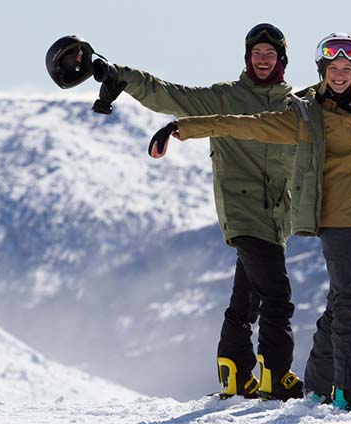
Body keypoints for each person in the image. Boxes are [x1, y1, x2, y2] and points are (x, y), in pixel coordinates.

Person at [149, 20, 351, 413]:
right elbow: (246, 126)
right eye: (331, 70)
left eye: (346, 69)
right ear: (321, 73)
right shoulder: (306, 116)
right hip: (336, 220)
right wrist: (182, 128)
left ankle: (318, 384)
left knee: (341, 301)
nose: (339, 76)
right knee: (349, 302)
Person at [93, 23, 303, 401]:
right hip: (242, 210)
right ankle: (276, 375)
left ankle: (236, 372)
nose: (262, 59)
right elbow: (169, 94)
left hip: (277, 218)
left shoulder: (296, 105)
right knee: (277, 296)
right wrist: (121, 77)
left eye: (270, 54)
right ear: (247, 57)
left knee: (248, 298)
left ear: (282, 59)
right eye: (256, 53)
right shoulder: (225, 98)